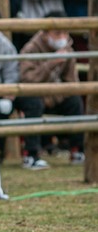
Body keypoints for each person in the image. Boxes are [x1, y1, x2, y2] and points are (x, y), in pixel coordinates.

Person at [19, 11, 85, 169]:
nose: (62, 37)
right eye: (57, 33)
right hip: (33, 93)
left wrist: (58, 93)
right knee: (33, 103)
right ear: (44, 33)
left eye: (65, 32)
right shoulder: (31, 48)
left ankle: (77, 150)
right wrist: (51, 63)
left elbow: (71, 81)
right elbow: (27, 79)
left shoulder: (68, 49)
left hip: (55, 95)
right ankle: (31, 155)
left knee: (75, 102)